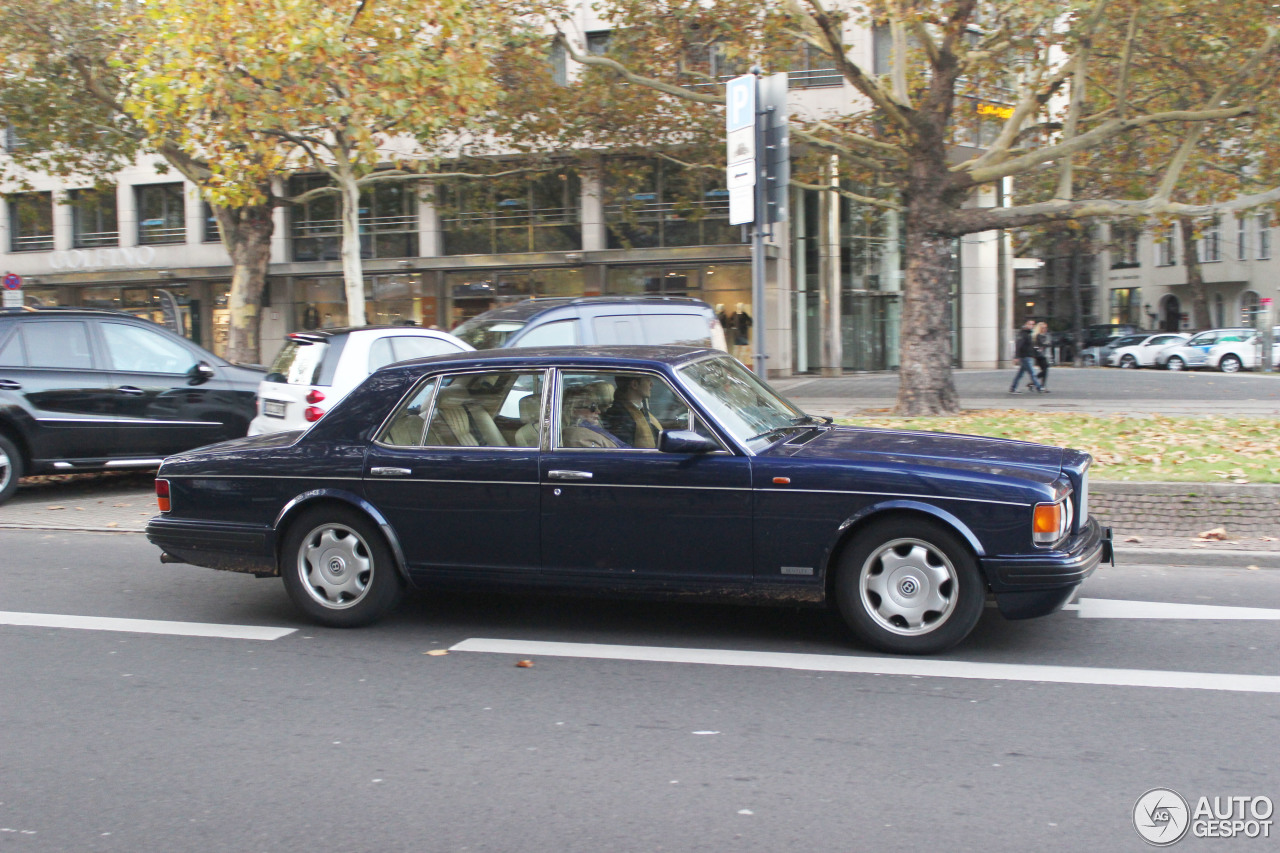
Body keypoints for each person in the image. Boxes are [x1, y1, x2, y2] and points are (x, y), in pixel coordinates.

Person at [603, 374, 664, 448]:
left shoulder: (640, 410)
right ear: (635, 384)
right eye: (648, 380)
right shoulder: (620, 416)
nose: (652, 384)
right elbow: (625, 449)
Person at [1010, 320, 1045, 394]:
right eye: (1030, 324)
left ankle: (1013, 387)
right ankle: (1039, 387)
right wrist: (1016, 356)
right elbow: (1019, 345)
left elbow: (1030, 345)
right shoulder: (1023, 334)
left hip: (1028, 356)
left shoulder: (1029, 334)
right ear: (1026, 324)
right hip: (1025, 356)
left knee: (1020, 374)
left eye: (1032, 324)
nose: (1031, 326)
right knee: (1032, 373)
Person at [1032, 322, 1051, 389]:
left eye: (1046, 328)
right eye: (1043, 328)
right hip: (1039, 355)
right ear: (1040, 328)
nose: (1045, 329)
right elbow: (1042, 344)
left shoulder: (1045, 335)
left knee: (1045, 370)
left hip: (1044, 354)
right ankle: (1039, 384)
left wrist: (1046, 343)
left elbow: (1049, 344)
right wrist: (1046, 343)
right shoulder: (1038, 336)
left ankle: (1037, 384)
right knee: (1045, 369)